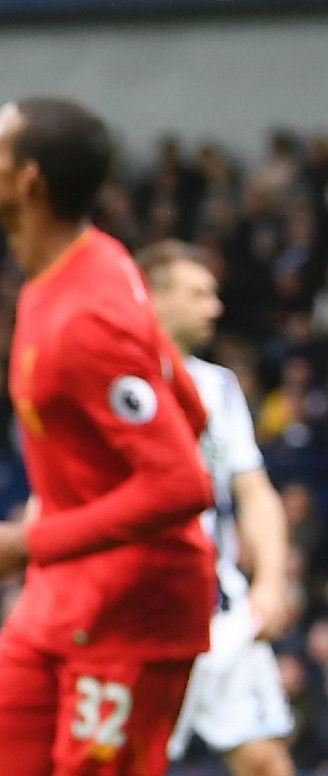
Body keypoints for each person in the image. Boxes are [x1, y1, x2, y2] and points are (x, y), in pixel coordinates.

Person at [0, 98, 216, 776]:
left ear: (28, 179)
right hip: (61, 594)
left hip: (132, 611)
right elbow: (192, 411)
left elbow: (183, 482)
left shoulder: (86, 314)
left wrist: (25, 542)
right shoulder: (92, 264)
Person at [139, 240, 297, 776]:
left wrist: (270, 581)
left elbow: (254, 492)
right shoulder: (110, 380)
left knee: (265, 762)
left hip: (217, 611)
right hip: (136, 618)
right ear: (153, 298)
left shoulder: (218, 386)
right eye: (199, 294)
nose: (215, 307)